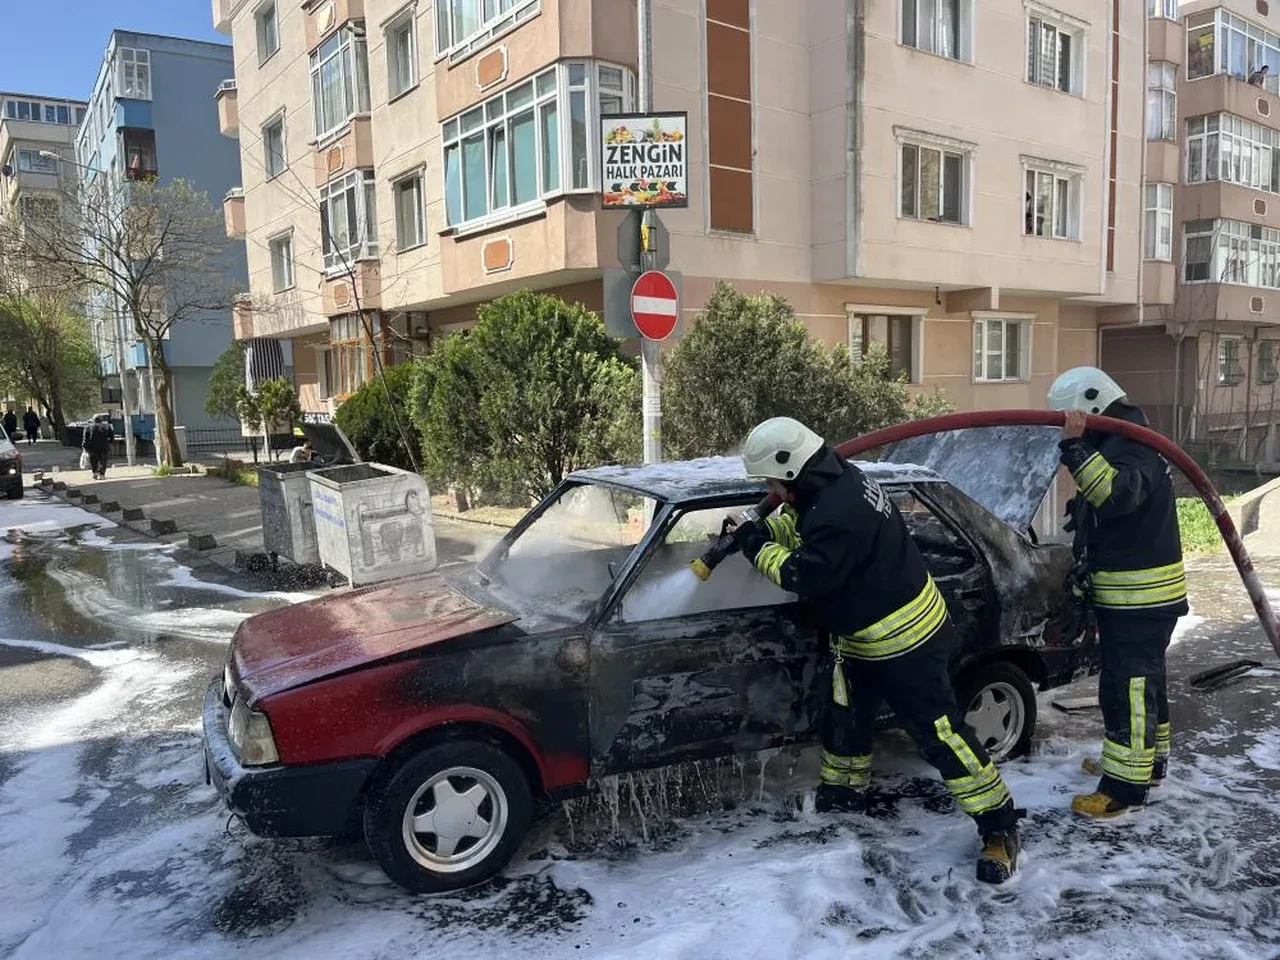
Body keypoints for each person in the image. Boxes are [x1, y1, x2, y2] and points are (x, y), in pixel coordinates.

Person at [728, 416, 1022, 883]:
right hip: (862, 635)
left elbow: (803, 574)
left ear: (790, 470)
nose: (768, 489)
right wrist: (763, 530)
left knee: (941, 737)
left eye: (769, 481)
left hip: (905, 642)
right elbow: (804, 529)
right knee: (846, 715)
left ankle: (999, 827)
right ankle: (845, 795)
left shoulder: (837, 512)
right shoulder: (838, 481)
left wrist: (756, 547)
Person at [1047, 367, 1186, 819]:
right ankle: (1148, 765)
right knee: (1144, 685)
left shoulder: (1132, 442)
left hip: (1139, 599)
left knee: (1128, 688)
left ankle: (1124, 789)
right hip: (1133, 596)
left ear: (1086, 405)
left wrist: (1075, 448)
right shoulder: (1126, 440)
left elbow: (1118, 494)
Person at [82, 414, 115, 480]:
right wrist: (109, 443)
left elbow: (85, 438)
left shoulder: (88, 427)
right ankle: (102, 474)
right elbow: (111, 436)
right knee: (103, 461)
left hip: (92, 448)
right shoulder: (106, 426)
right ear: (101, 419)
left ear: (93, 419)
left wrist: (84, 446)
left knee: (93, 461)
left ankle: (95, 473)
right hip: (104, 447)